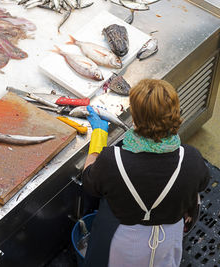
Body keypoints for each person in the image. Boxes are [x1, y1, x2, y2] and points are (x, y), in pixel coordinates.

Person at [81, 79, 210, 267]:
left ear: (135, 117)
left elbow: (89, 181)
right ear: (174, 114)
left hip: (125, 241)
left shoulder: (112, 160)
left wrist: (99, 135)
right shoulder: (191, 158)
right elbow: (202, 183)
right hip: (168, 239)